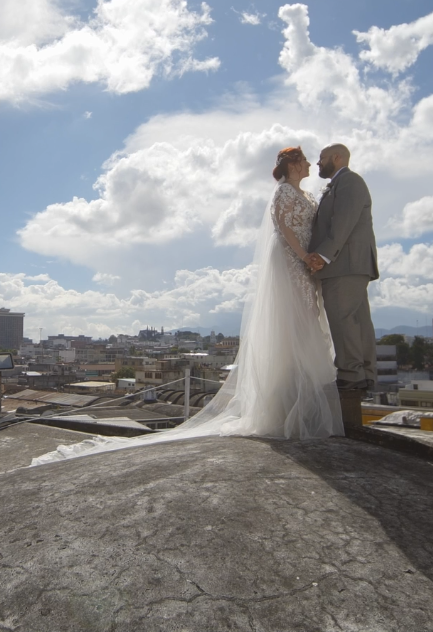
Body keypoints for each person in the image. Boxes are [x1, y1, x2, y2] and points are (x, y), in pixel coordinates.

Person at [31, 146, 343, 466]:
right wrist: (305, 257)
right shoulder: (283, 193)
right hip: (290, 263)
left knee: (305, 323)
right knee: (289, 324)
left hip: (305, 266)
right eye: (304, 160)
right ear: (293, 164)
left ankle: (301, 404)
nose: (309, 164)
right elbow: (284, 229)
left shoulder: (307, 195)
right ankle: (285, 408)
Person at [306, 144, 379, 390]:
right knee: (357, 319)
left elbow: (343, 223)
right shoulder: (341, 183)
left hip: (344, 263)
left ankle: (351, 375)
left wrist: (322, 256)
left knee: (342, 318)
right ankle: (364, 373)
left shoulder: (349, 181)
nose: (318, 163)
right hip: (350, 263)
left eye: (322, 158)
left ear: (337, 158)